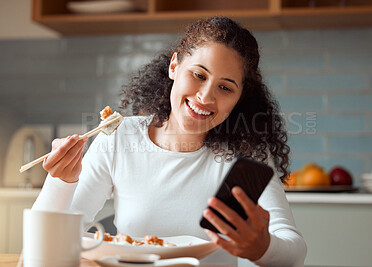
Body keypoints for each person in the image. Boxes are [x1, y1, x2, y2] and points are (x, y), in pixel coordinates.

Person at [33, 17, 307, 266]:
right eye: (198, 75)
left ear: (239, 97)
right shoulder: (119, 137)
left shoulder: (245, 154)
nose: (205, 97)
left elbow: (294, 251)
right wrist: (60, 181)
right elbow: (47, 243)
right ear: (174, 66)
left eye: (225, 87)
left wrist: (262, 248)